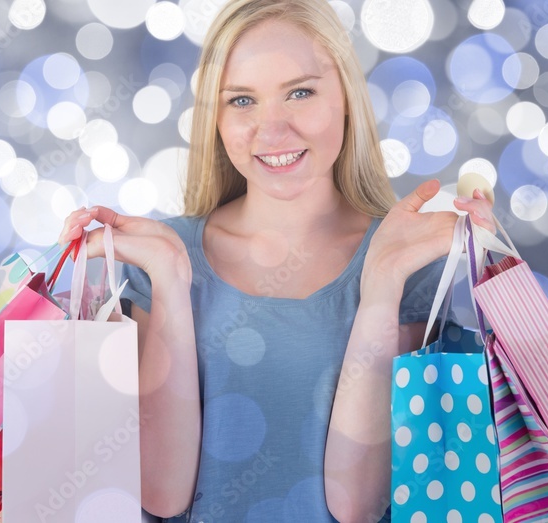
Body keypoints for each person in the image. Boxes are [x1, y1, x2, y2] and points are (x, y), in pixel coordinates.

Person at [58, 0, 495, 521]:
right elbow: (161, 493)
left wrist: (381, 290)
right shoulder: (157, 259)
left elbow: (359, 503)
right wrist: (172, 285)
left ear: (348, 99)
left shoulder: (408, 262)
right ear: (215, 119)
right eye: (242, 100)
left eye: (301, 92)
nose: (272, 130)